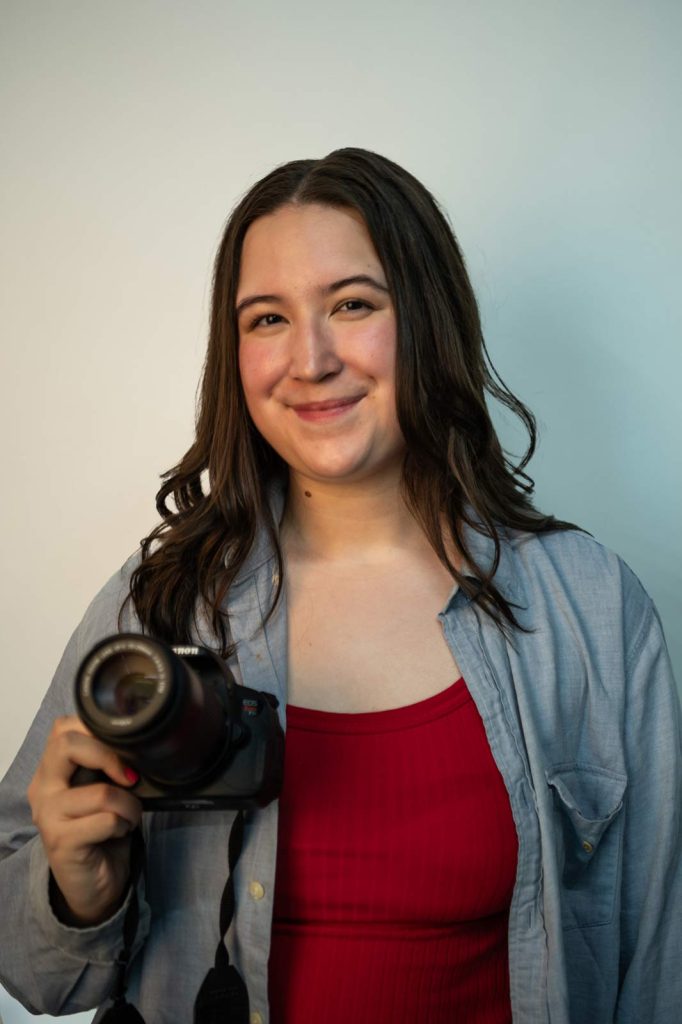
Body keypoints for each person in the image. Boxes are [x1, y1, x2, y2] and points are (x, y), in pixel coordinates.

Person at [0, 148, 680, 1024]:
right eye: (267, 319)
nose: (310, 360)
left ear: (427, 319)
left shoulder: (591, 608)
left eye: (352, 304)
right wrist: (75, 889)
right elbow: (36, 976)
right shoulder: (159, 603)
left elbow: (659, 959)